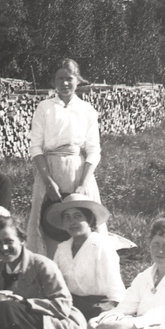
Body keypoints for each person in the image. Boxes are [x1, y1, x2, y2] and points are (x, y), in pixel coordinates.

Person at [26, 59, 103, 257]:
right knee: (48, 223)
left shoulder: (86, 109)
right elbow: (36, 147)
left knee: (83, 220)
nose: (65, 83)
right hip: (50, 171)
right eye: (60, 79)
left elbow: (93, 150)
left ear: (78, 80)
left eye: (69, 78)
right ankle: (49, 266)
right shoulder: (45, 107)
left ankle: (85, 265)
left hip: (78, 172)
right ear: (53, 82)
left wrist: (83, 184)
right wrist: (48, 181)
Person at [46, 195, 125, 321]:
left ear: (89, 219)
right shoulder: (62, 248)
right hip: (71, 303)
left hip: (98, 305)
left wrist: (114, 306)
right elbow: (56, 281)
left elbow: (114, 284)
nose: (72, 222)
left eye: (78, 216)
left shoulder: (101, 245)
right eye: (67, 217)